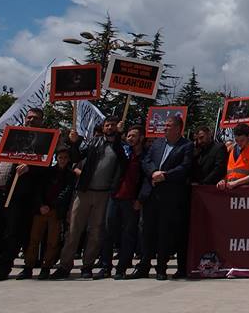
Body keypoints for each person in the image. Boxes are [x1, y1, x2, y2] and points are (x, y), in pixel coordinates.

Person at [0, 107, 47, 283]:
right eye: (29, 117)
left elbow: (46, 169)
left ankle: (3, 269)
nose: (31, 120)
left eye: (35, 118)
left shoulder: (43, 142)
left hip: (19, 197)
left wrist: (30, 167)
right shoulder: (12, 136)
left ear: (41, 121)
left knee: (12, 234)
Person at [52, 115, 128, 280]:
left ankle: (87, 265)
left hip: (104, 194)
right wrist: (73, 143)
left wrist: (119, 136)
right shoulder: (94, 142)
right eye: (107, 125)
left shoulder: (120, 146)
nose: (110, 127)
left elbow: (123, 161)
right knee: (73, 230)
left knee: (95, 232)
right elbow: (76, 157)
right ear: (103, 127)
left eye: (113, 125)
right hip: (84, 192)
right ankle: (65, 265)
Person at [134, 115, 193, 280]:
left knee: (164, 233)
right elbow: (146, 161)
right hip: (151, 193)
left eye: (168, 125)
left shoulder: (186, 145)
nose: (165, 128)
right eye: (165, 125)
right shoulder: (157, 143)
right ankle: (144, 265)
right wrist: (153, 173)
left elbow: (185, 167)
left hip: (170, 196)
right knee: (146, 231)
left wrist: (165, 176)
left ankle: (161, 268)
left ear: (178, 128)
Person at [19, 146, 75, 280]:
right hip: (41, 210)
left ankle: (46, 267)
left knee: (52, 241)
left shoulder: (70, 175)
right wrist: (41, 205)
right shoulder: (48, 172)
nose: (62, 160)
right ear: (56, 158)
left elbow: (67, 192)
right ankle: (28, 267)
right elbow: (39, 189)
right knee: (34, 239)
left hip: (56, 211)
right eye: (60, 158)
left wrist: (52, 205)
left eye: (65, 158)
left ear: (69, 159)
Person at [96, 125, 144, 279]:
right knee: (108, 232)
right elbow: (116, 145)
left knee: (128, 235)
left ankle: (121, 268)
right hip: (115, 196)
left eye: (134, 136)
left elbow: (145, 180)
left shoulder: (145, 156)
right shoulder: (124, 152)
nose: (130, 138)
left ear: (141, 138)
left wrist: (140, 199)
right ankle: (105, 266)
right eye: (128, 136)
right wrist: (118, 132)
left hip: (132, 200)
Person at [217, 123, 249, 190]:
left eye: (242, 140)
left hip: (246, 190)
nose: (239, 143)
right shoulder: (230, 149)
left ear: (248, 136)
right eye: (236, 140)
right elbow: (226, 170)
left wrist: (236, 183)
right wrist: (222, 180)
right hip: (229, 189)